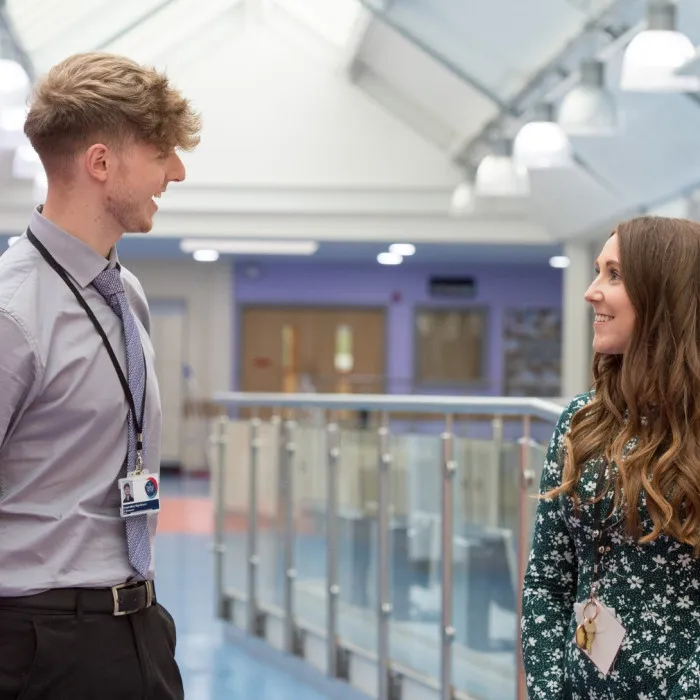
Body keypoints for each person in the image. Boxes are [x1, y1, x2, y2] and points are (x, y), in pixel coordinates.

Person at [0, 52, 200, 699]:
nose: (177, 171)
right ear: (101, 163)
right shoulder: (12, 313)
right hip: (39, 642)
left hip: (137, 625)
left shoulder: (125, 294)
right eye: (160, 152)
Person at [522, 216, 700, 699]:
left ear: (663, 294)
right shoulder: (582, 421)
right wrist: (549, 690)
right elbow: (547, 582)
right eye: (598, 271)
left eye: (614, 275)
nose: (591, 291)